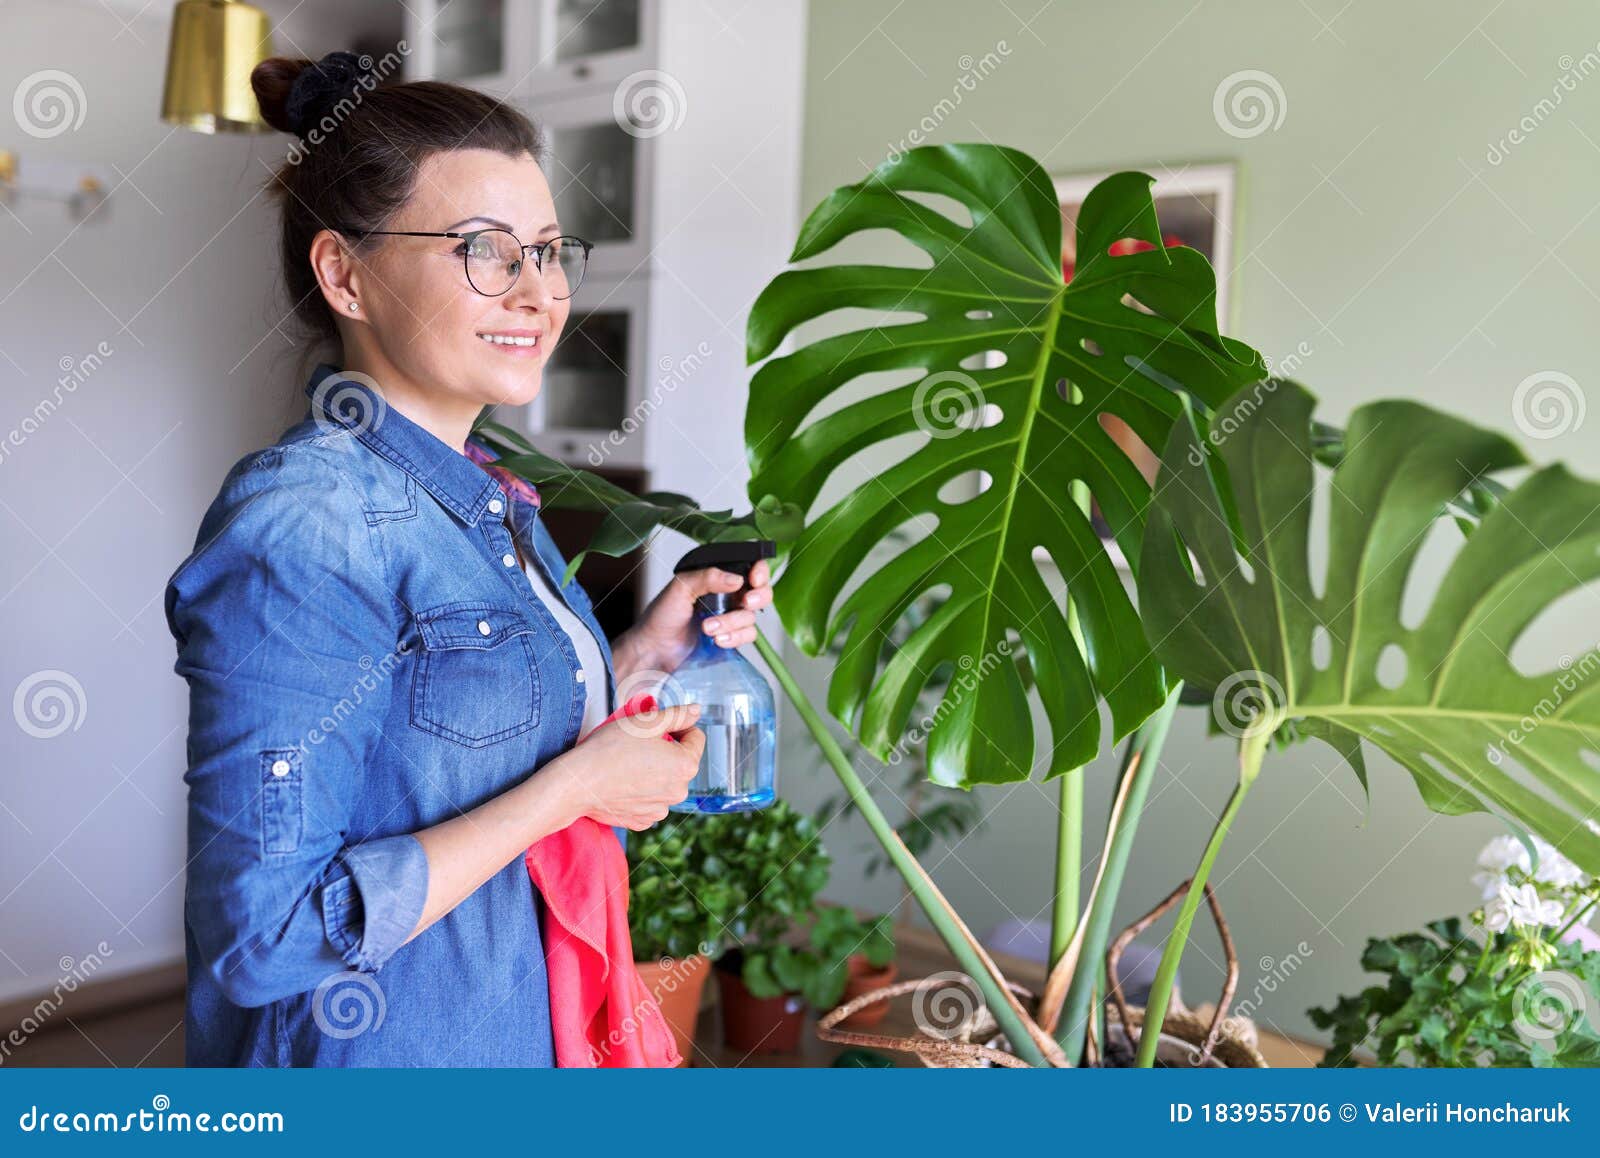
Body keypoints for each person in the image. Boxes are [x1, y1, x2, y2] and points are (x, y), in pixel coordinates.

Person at [162, 52, 770, 1066]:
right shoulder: (304, 526)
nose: (537, 293)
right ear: (343, 273)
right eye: (486, 252)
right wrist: (573, 792)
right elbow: (262, 937)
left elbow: (447, 750)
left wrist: (639, 662)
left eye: (545, 249)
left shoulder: (490, 502)